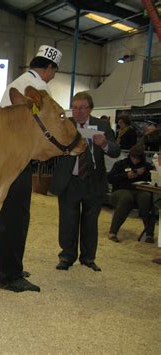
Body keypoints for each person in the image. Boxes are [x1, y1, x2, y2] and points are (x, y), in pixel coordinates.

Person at [0, 44, 62, 293]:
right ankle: (11, 275)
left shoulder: (16, 83)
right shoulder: (39, 89)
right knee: (17, 217)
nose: (53, 76)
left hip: (1, 157)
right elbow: (44, 126)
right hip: (18, 160)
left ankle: (0, 266)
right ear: (49, 68)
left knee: (1, 214)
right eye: (54, 71)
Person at [49, 91, 120, 272]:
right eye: (74, 107)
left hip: (93, 182)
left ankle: (88, 258)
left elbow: (115, 151)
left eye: (81, 108)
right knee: (68, 221)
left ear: (90, 109)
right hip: (69, 180)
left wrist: (104, 143)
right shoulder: (65, 124)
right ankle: (66, 256)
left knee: (90, 222)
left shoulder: (102, 125)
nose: (77, 111)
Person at [107, 144, 155, 243]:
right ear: (130, 156)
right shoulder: (121, 164)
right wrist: (126, 176)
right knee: (126, 198)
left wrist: (145, 174)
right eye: (134, 158)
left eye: (138, 159)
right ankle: (113, 232)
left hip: (140, 191)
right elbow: (110, 178)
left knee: (147, 198)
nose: (135, 161)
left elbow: (153, 181)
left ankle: (149, 234)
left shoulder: (146, 166)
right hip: (120, 191)